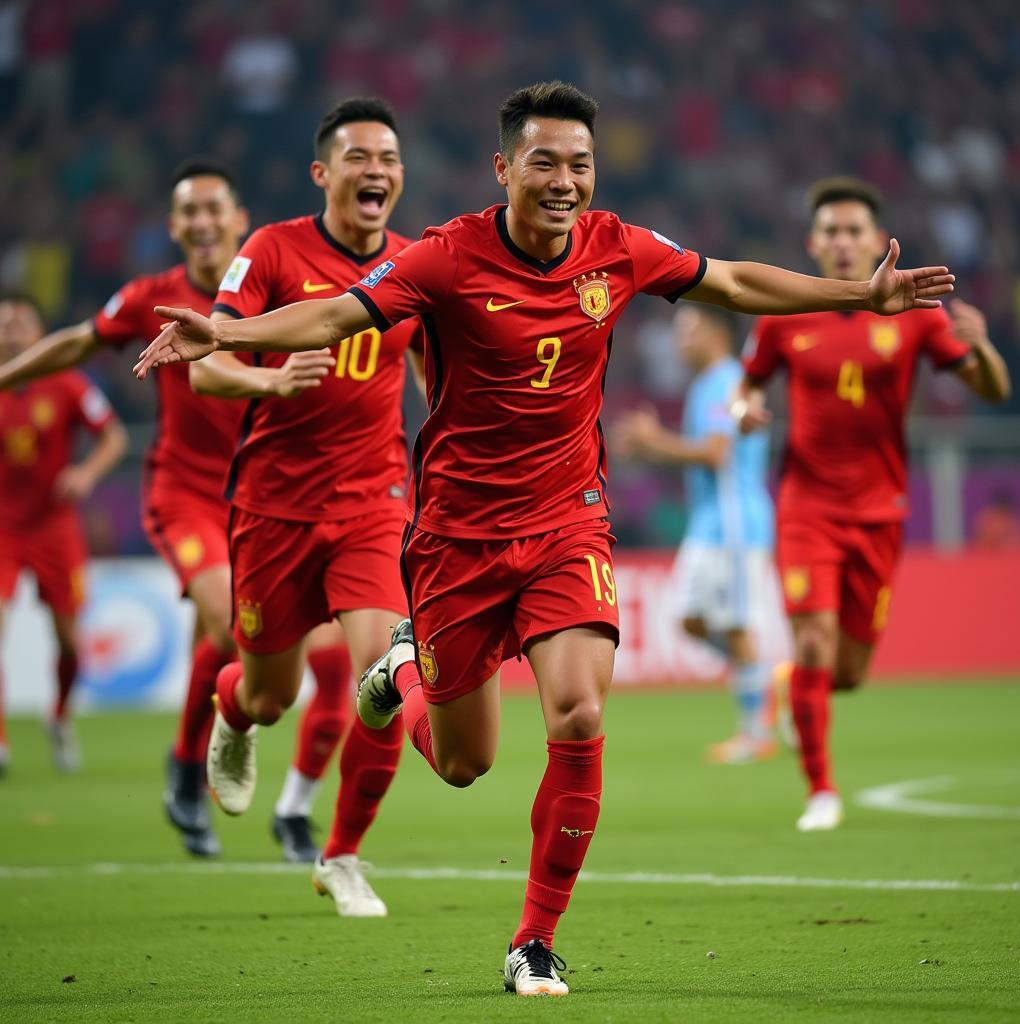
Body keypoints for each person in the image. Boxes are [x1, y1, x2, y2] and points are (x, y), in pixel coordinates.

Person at [133, 82, 956, 996]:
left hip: (568, 523)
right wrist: (228, 330)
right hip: (455, 539)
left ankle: (534, 940)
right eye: (545, 163)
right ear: (505, 169)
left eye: (580, 165)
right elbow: (335, 314)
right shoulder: (446, 257)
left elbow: (729, 281)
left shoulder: (620, 248)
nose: (566, 182)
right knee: (462, 763)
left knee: (580, 714)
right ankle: (397, 674)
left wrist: (856, 297)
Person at [0, 161, 352, 858]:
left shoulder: (278, 289)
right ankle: (192, 770)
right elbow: (76, 343)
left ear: (238, 218)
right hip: (188, 494)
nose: (201, 222)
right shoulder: (152, 297)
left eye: (213, 208)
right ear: (173, 226)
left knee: (248, 649)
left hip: (274, 495)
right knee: (225, 626)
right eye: (187, 211)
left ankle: (202, 769)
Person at [189, 97, 423, 911]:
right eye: (360, 157)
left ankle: (343, 854)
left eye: (388, 158)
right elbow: (206, 363)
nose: (377, 171)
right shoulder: (271, 250)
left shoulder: (412, 264)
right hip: (274, 509)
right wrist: (269, 377)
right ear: (324, 172)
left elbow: (436, 372)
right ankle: (234, 711)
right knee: (271, 694)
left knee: (388, 673)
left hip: (372, 501)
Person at [735, 177, 1011, 832]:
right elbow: (745, 390)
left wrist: (984, 345)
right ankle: (821, 791)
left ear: (876, 240)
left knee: (849, 671)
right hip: (805, 505)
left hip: (881, 511)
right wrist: (746, 412)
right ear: (813, 242)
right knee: (816, 639)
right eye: (829, 231)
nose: (841, 241)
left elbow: (991, 390)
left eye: (853, 230)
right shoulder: (784, 312)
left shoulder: (917, 313)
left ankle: (793, 686)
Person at [613, 304, 781, 764]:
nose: (678, 341)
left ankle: (755, 733)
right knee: (690, 618)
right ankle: (766, 677)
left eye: (686, 331)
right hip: (713, 523)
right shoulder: (708, 385)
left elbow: (715, 454)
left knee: (736, 622)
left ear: (716, 334)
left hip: (734, 521)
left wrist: (653, 443)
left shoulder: (728, 381)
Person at [0, 293, 127, 774]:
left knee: (71, 644)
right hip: (3, 529)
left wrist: (86, 474)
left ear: (39, 335)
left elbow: (114, 437)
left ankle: (58, 715)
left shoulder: (68, 383)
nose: (11, 333)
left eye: (20, 324)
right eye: (4, 325)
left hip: (55, 526)